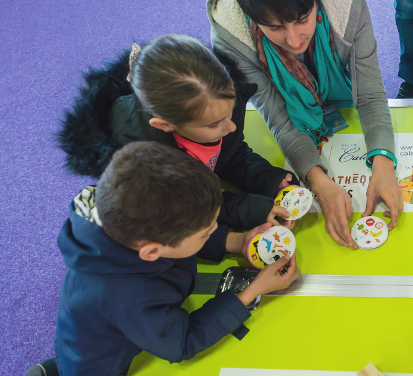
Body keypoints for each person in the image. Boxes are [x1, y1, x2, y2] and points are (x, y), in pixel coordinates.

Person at [27, 142, 300, 376]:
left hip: (97, 331)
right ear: (151, 252)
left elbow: (181, 240)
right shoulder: (130, 296)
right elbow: (182, 342)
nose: (213, 232)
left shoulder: (126, 215)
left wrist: (240, 242)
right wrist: (251, 291)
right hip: (99, 365)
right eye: (206, 232)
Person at [208, 0, 403, 249]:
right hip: (296, 123)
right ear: (249, 15)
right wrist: (317, 180)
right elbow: (278, 117)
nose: (294, 40)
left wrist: (384, 162)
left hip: (337, 98)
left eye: (302, 19)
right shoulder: (232, 35)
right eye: (274, 27)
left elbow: (370, 93)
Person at [58, 35, 296, 233]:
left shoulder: (214, 102)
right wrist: (254, 209)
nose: (230, 127)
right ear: (165, 125)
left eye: (230, 111)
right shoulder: (142, 162)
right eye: (214, 125)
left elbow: (229, 155)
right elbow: (188, 208)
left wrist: (267, 179)